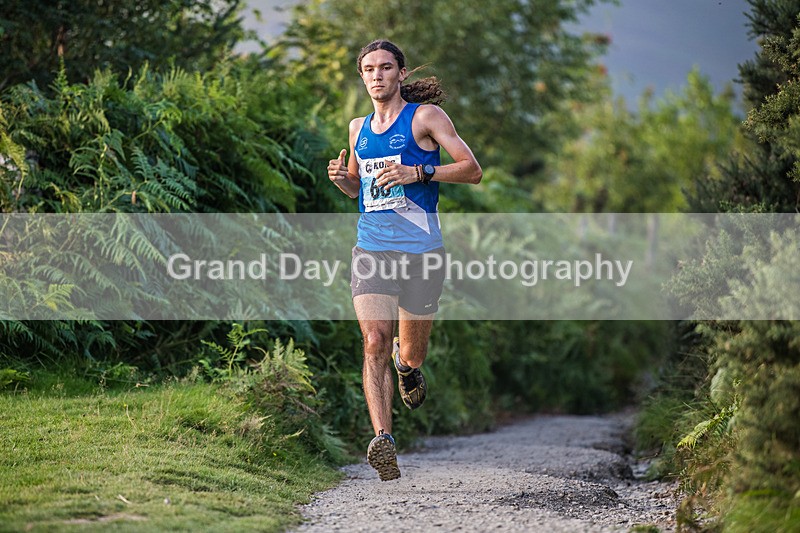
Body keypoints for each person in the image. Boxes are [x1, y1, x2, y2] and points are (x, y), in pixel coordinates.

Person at [327, 39, 482, 481]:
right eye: (369, 69)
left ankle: (407, 367)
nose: (377, 75)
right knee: (374, 340)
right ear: (362, 77)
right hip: (372, 248)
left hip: (421, 253)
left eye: (386, 67)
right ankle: (384, 440)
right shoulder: (358, 128)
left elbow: (472, 170)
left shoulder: (426, 119)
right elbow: (361, 191)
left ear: (401, 73)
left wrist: (421, 172)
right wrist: (344, 181)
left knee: (410, 351)